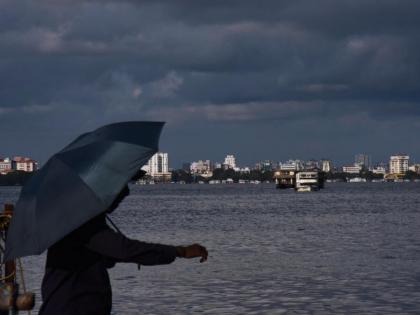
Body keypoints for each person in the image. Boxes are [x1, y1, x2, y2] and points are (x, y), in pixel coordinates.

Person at [39, 183, 208, 315]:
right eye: (117, 198)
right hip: (71, 307)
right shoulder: (84, 224)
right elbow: (125, 250)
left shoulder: (83, 221)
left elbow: (110, 254)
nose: (116, 205)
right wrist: (180, 251)